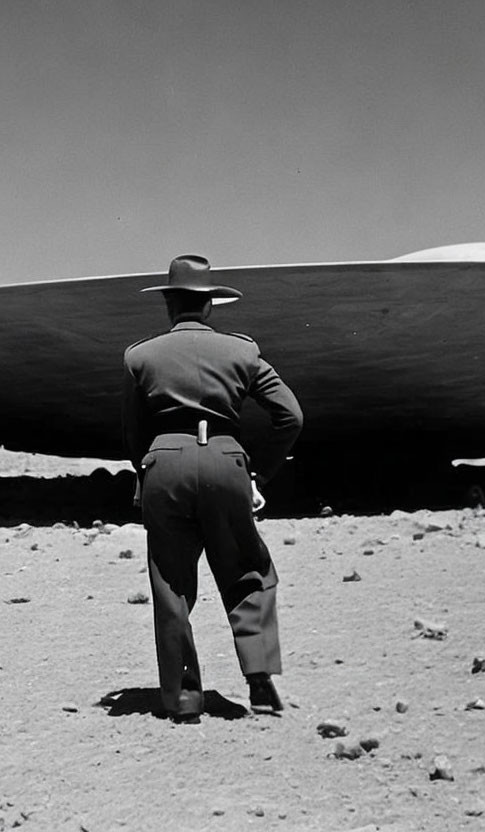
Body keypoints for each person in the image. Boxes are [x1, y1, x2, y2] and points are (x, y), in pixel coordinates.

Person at [122, 254, 302, 723]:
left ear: (168, 304)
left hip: (164, 464)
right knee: (247, 569)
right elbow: (291, 416)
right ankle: (260, 680)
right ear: (210, 306)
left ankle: (184, 699)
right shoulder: (242, 352)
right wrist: (257, 473)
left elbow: (133, 434)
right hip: (227, 463)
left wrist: (147, 477)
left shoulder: (141, 357)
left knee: (171, 583)